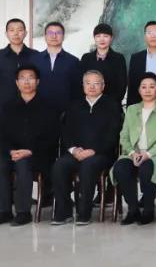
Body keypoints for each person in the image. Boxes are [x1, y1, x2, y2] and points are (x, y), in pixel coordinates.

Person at [0, 64, 59, 226]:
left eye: (31, 78)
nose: (27, 82)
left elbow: (52, 136)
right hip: (13, 154)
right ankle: (4, 211)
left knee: (23, 164)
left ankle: (23, 212)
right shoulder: (7, 106)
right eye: (22, 78)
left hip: (38, 155)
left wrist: (30, 151)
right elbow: (3, 135)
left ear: (38, 81)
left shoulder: (49, 106)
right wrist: (11, 151)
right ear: (17, 83)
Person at [50, 70, 121, 225]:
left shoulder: (112, 106)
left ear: (103, 86)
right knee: (60, 165)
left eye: (96, 83)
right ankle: (63, 211)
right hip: (77, 152)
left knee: (88, 165)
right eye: (88, 83)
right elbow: (65, 132)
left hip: (101, 154)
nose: (92, 87)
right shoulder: (74, 105)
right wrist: (73, 149)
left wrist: (93, 150)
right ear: (83, 86)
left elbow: (113, 134)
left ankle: (84, 212)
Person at [111, 74, 156, 225]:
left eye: (152, 87)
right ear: (139, 90)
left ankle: (148, 210)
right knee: (121, 168)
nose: (147, 90)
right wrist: (132, 153)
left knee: (147, 168)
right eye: (144, 87)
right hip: (134, 152)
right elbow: (124, 136)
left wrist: (148, 154)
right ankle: (133, 210)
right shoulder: (132, 109)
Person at [0, 18, 39, 131]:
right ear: (6, 34)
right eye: (12, 30)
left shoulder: (36, 56)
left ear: (25, 33)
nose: (16, 33)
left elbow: (40, 84)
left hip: (31, 111)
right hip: (3, 112)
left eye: (19, 30)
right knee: (5, 142)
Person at [31, 21, 80, 115]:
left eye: (58, 33)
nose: (54, 36)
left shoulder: (73, 61)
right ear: (45, 36)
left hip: (65, 114)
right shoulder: (34, 60)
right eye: (50, 33)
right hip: (38, 112)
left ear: (63, 36)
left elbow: (77, 90)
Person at [78, 23, 127, 105]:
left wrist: (110, 104)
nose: (102, 39)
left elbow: (122, 86)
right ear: (94, 38)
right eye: (98, 36)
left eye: (105, 36)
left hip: (112, 105)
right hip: (89, 105)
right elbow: (81, 83)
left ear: (111, 38)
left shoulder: (119, 58)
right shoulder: (86, 58)